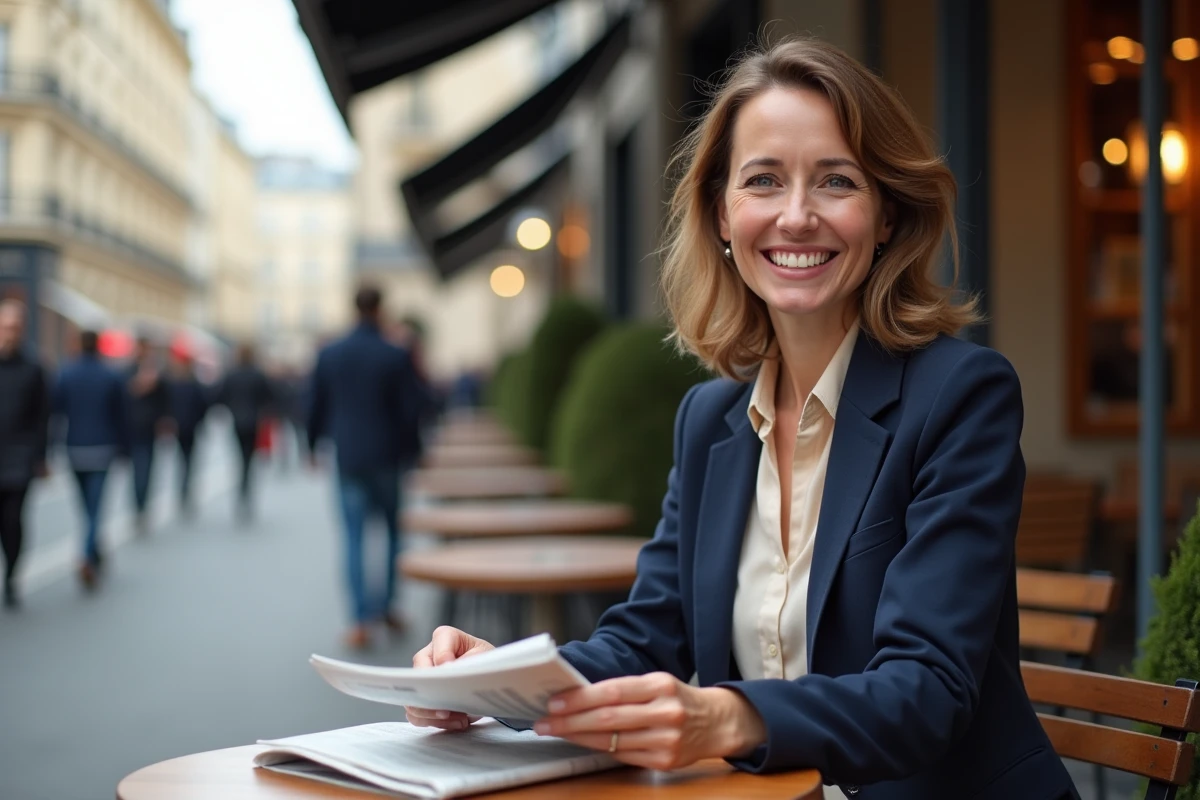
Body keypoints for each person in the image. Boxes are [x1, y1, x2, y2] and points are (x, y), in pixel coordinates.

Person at [403, 38, 1078, 799]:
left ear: (885, 214)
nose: (797, 216)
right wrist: (499, 680)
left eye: (836, 181)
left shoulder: (961, 396)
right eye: (763, 180)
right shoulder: (710, 419)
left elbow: (925, 691)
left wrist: (727, 718)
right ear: (723, 216)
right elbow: (646, 637)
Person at [308, 286, 424, 650]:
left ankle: (359, 619)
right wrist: (414, 453)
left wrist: (312, 445)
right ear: (381, 308)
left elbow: (314, 403)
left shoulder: (331, 353)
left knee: (354, 537)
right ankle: (386, 606)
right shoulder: (395, 353)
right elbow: (412, 410)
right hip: (388, 456)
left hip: (349, 456)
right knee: (391, 535)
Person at [54, 330, 128, 590]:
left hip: (75, 447)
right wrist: (124, 449)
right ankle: (88, 554)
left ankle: (91, 551)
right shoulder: (111, 375)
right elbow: (121, 414)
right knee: (95, 507)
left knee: (85, 505)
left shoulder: (66, 373)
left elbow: (56, 410)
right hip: (103, 448)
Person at [0, 301, 49, 609]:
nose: (10, 333)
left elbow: (42, 416)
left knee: (13, 521)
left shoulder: (33, 368)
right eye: (6, 326)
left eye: (15, 327)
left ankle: (11, 576)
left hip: (19, 458)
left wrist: (40, 456)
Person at [214, 344, 274, 523]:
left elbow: (219, 396)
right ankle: (246, 493)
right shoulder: (257, 375)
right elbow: (268, 397)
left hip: (237, 421)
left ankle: (242, 493)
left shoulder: (231, 375)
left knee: (241, 458)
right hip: (254, 422)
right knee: (249, 460)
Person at [124, 337, 171, 535]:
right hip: (132, 428)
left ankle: (142, 507)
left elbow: (165, 400)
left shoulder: (157, 371)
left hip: (149, 428)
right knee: (136, 470)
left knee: (146, 470)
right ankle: (137, 506)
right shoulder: (128, 371)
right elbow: (122, 394)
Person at [166, 350, 210, 517]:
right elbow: (203, 405)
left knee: (182, 459)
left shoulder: (174, 384)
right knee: (188, 460)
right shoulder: (193, 384)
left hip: (180, 426)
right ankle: (185, 490)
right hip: (190, 427)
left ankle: (183, 490)